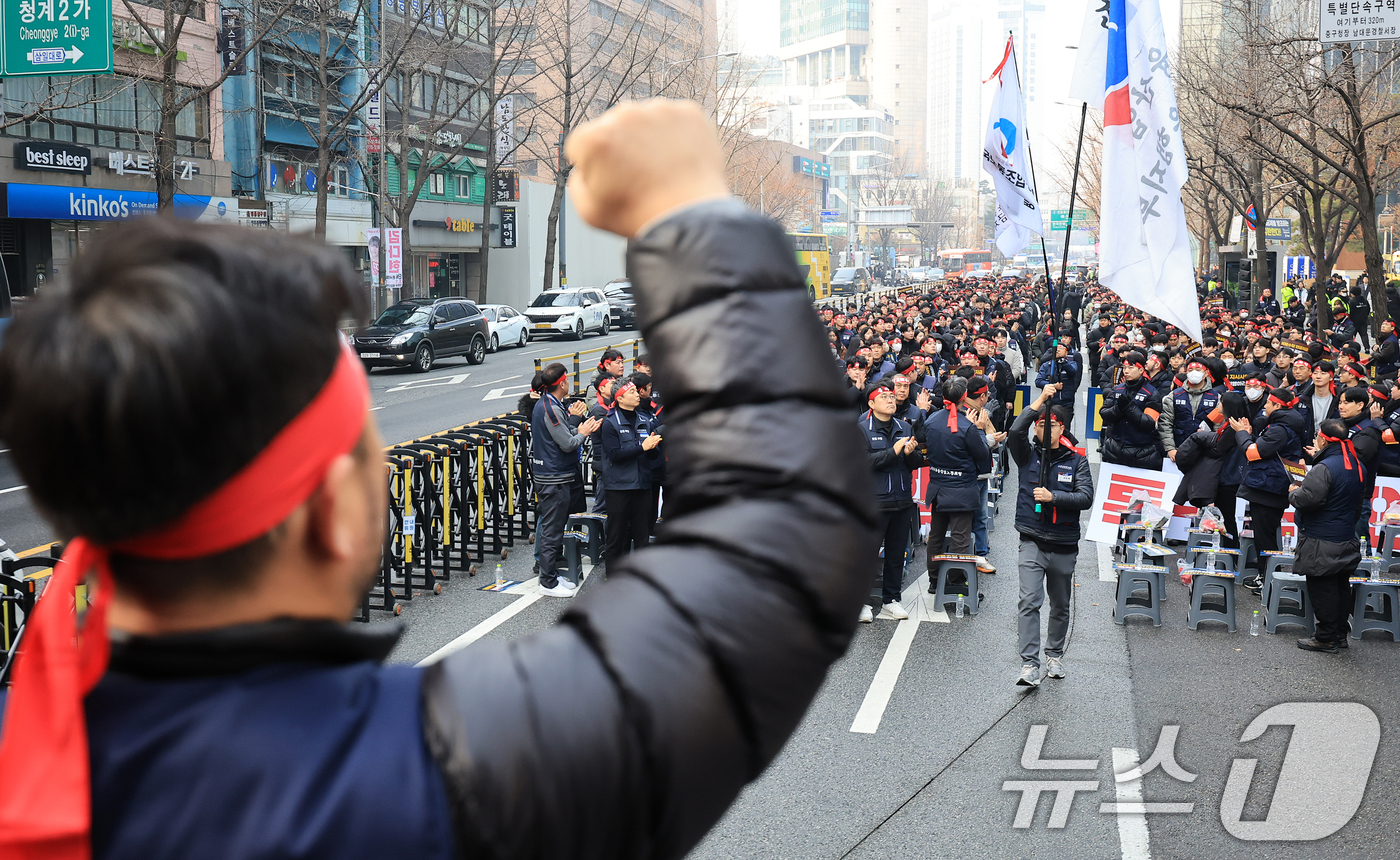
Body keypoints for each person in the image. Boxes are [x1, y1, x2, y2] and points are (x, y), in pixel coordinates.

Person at [0, 100, 879, 860]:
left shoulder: (30, 766)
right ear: (333, 516)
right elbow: (773, 563)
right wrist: (690, 210)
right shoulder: (428, 781)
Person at [1007, 385, 1093, 687]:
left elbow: (1085, 498)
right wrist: (1039, 402)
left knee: (1060, 604)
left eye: (1050, 424)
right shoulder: (1027, 454)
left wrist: (1053, 497)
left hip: (1064, 544)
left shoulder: (1076, 461)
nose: (1044, 429)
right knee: (1029, 601)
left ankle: (1054, 654)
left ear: (1062, 429)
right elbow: (1015, 430)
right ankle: (1029, 664)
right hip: (1031, 540)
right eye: (1040, 424)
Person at [1289, 419, 1365, 652]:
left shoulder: (1325, 467)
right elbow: (1357, 504)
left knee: (1324, 590)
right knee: (1341, 587)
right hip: (1344, 535)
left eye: (1317, 436)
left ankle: (1326, 637)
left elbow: (1309, 500)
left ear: (1323, 439)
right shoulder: (1355, 463)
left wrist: (1294, 493)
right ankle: (1339, 634)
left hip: (1322, 538)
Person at [531, 364, 604, 595]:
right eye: (568, 379)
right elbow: (568, 443)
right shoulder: (549, 408)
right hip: (553, 478)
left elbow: (564, 436)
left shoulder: (551, 404)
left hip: (554, 475)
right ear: (562, 383)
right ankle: (548, 582)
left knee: (554, 529)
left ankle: (550, 577)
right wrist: (583, 433)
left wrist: (580, 428)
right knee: (552, 532)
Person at [860, 380, 925, 623]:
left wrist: (910, 455)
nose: (890, 399)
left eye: (891, 396)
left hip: (902, 500)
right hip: (873, 503)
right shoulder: (861, 429)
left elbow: (915, 463)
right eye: (883, 396)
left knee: (898, 554)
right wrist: (894, 451)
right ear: (871, 403)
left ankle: (891, 600)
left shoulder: (904, 427)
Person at [923, 375, 992, 598]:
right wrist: (980, 429)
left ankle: (934, 580)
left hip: (938, 486)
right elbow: (983, 458)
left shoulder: (931, 420)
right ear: (965, 397)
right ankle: (957, 582)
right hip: (962, 488)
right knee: (961, 538)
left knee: (936, 535)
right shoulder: (968, 427)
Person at [1233, 389, 1307, 559]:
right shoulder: (1280, 425)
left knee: (1264, 537)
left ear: (1277, 405)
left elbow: (1253, 453)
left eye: (1268, 403)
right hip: (1268, 485)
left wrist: (1241, 433)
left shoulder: (1279, 429)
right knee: (1263, 535)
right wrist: (1250, 435)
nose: (1265, 406)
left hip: (1268, 488)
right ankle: (1265, 576)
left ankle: (1267, 579)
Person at [597, 376, 662, 564]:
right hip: (619, 488)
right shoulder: (610, 423)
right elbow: (615, 455)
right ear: (619, 398)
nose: (637, 395)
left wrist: (653, 446)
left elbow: (653, 456)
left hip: (642, 486)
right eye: (631, 392)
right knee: (617, 537)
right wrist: (643, 447)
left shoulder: (645, 419)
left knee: (642, 537)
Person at [1099, 350, 1163, 471]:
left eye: (1131, 367)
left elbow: (1149, 423)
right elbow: (1104, 414)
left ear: (1141, 370)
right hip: (1114, 449)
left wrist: (1130, 408)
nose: (1126, 371)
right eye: (1124, 367)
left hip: (1141, 453)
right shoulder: (1117, 389)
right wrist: (1118, 409)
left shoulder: (1152, 393)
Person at [1158, 358, 1220, 464]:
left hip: (1204, 453)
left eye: (1198, 370)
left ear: (1205, 374)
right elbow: (1165, 423)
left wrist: (1212, 450)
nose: (1194, 373)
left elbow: (1218, 427)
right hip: (1177, 450)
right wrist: (1170, 448)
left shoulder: (1215, 398)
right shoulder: (1174, 395)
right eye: (1191, 370)